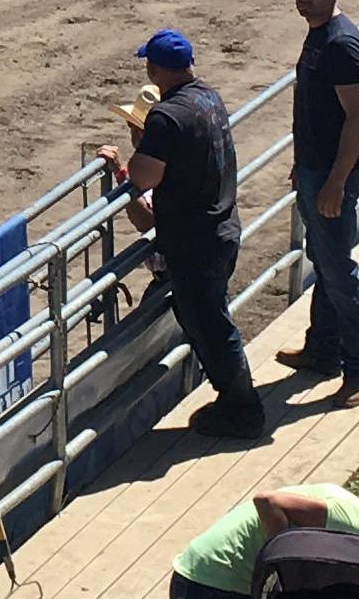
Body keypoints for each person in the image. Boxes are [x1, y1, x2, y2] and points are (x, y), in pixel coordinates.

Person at [97, 30, 265, 438]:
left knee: (210, 326)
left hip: (195, 241)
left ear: (154, 69)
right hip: (221, 225)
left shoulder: (167, 116)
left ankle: (242, 408)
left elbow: (144, 175)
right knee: (210, 320)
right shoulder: (208, 97)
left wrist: (133, 157)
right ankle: (235, 401)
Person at [282, 0, 359, 407]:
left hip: (332, 173)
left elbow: (356, 121)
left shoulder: (342, 45)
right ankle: (322, 349)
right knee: (323, 258)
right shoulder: (319, 36)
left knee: (339, 269)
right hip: (315, 168)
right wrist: (303, 166)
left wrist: (336, 182)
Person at [170, 486, 359, 599]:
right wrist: (278, 557)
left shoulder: (357, 534)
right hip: (212, 580)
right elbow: (268, 501)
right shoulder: (349, 520)